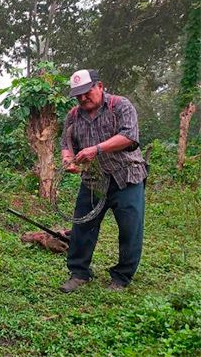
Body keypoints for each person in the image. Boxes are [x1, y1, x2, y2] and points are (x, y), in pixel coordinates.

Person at [59, 69, 147, 293]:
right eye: (77, 95)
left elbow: (129, 137)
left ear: (100, 86)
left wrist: (96, 150)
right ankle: (79, 273)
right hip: (93, 181)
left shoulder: (120, 106)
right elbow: (66, 145)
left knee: (130, 229)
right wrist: (68, 160)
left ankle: (121, 277)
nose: (82, 98)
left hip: (126, 177)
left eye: (86, 92)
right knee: (82, 226)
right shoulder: (73, 116)